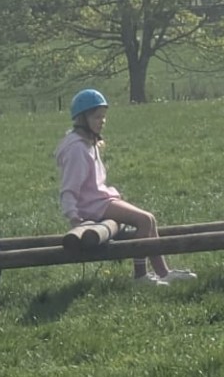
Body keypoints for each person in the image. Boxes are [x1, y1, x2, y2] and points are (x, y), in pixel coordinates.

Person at [56, 89, 196, 285]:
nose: (102, 121)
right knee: (144, 220)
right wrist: (73, 217)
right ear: (82, 119)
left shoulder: (88, 143)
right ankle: (140, 275)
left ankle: (163, 272)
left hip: (100, 200)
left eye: (103, 117)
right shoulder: (77, 149)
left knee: (150, 220)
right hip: (92, 206)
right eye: (97, 117)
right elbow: (69, 188)